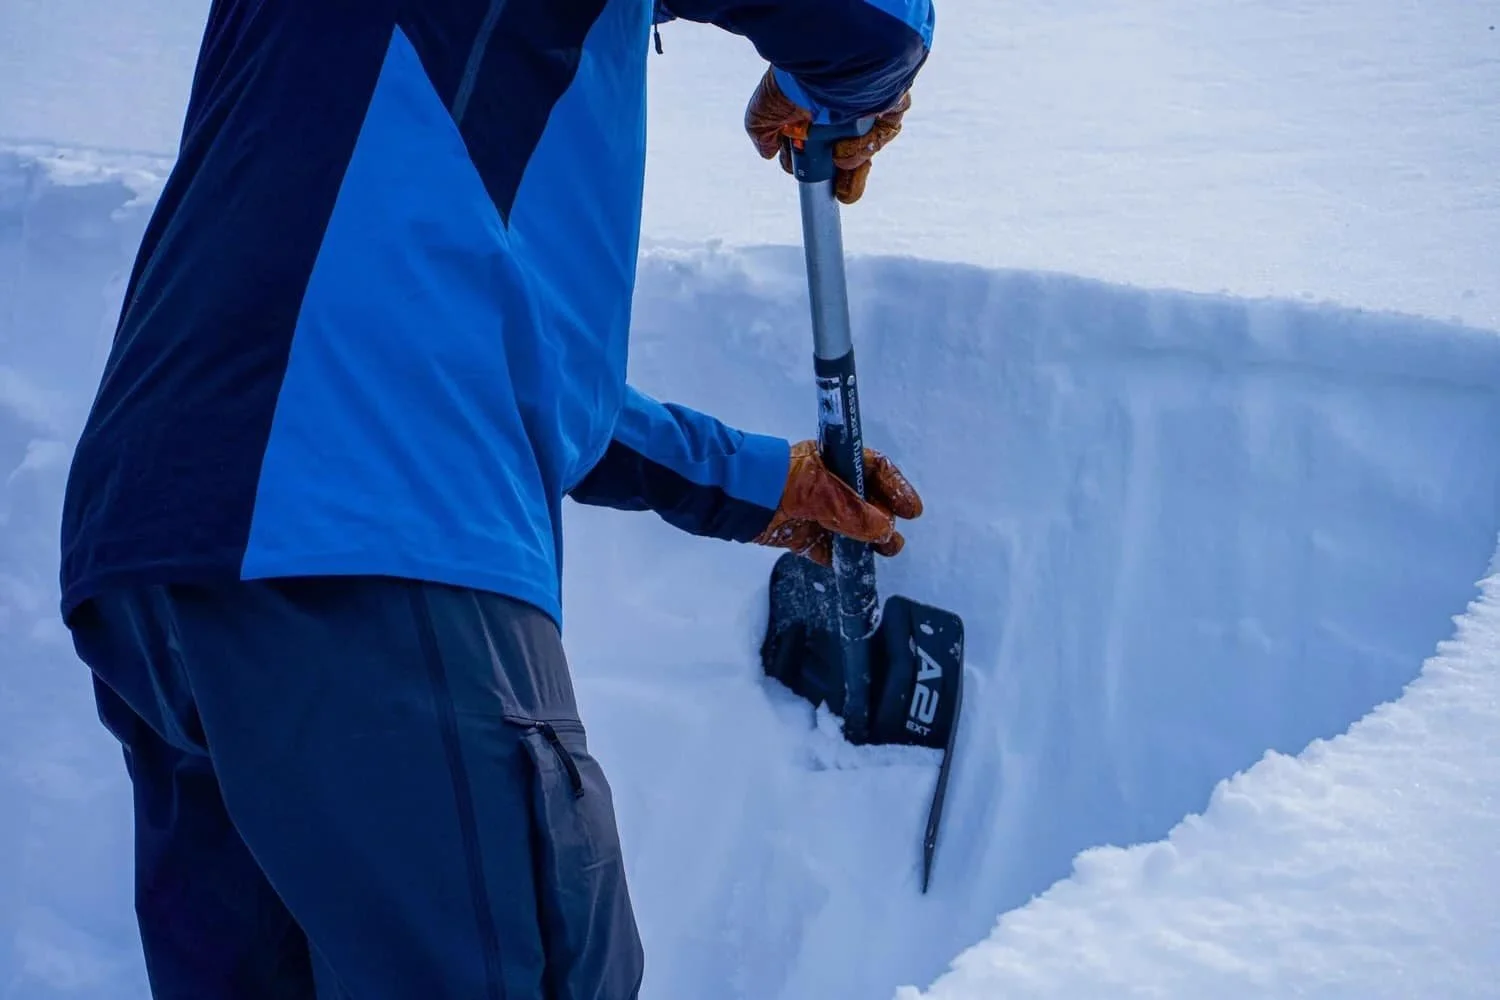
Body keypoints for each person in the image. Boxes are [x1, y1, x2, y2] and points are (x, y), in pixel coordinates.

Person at [58, 0, 934, 996]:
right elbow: (874, 19)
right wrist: (841, 94)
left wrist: (755, 481)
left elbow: (459, 346)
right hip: (369, 545)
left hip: (152, 559)